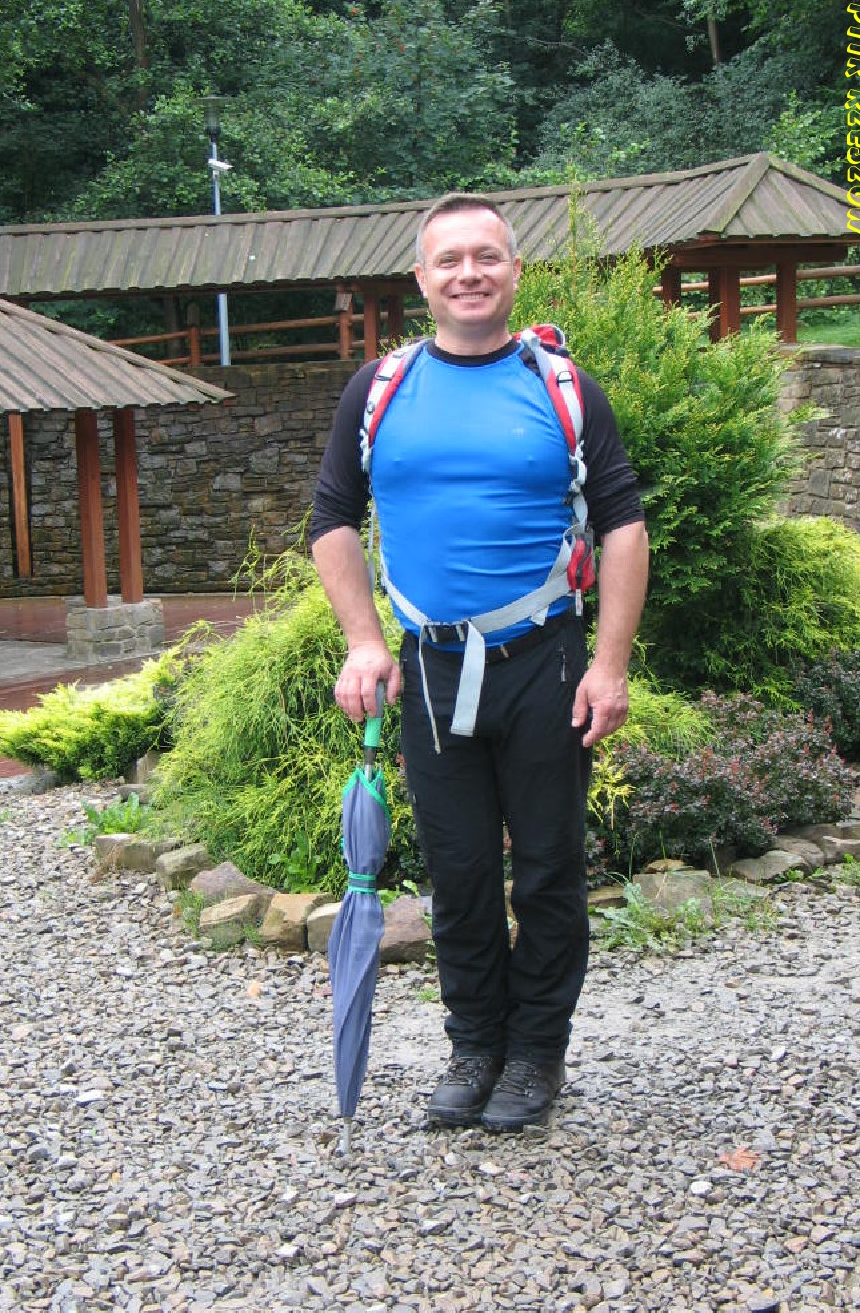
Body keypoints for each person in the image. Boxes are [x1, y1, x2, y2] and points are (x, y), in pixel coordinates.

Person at [309, 193, 649, 1132]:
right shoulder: (379, 389)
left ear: (514, 271)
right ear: (422, 279)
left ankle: (536, 1053)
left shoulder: (565, 388)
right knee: (457, 873)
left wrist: (610, 665)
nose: (469, 274)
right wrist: (364, 640)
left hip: (545, 663)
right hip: (429, 668)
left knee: (547, 869)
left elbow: (623, 525)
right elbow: (332, 518)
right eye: (450, 260)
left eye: (486, 257)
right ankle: (474, 1047)